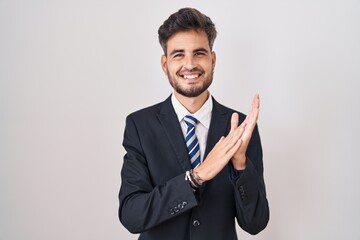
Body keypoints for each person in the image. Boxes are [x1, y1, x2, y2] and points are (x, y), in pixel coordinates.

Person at [118, 7, 269, 240]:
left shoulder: (240, 128)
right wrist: (197, 176)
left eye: (199, 53)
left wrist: (240, 165)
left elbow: (255, 223)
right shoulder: (140, 125)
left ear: (213, 59)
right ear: (164, 63)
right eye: (178, 54)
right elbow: (132, 215)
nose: (189, 64)